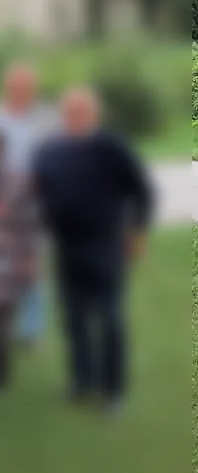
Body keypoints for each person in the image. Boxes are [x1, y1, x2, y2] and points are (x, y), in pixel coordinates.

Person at [30, 88, 151, 409]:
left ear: (94, 115)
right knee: (73, 318)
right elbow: (36, 191)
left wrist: (137, 232)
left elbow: (141, 190)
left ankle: (113, 392)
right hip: (66, 246)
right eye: (70, 112)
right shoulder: (51, 150)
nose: (76, 118)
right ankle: (82, 382)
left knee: (109, 318)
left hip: (104, 244)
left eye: (82, 112)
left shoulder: (111, 148)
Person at [0, 63, 53, 348]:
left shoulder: (43, 119)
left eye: (27, 87)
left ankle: (31, 330)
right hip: (4, 201)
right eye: (17, 87)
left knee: (32, 265)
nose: (22, 92)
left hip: (34, 202)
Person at [0, 136, 35, 387]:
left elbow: (29, 226)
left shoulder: (17, 185)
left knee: (4, 317)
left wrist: (28, 260)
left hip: (8, 261)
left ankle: (3, 372)